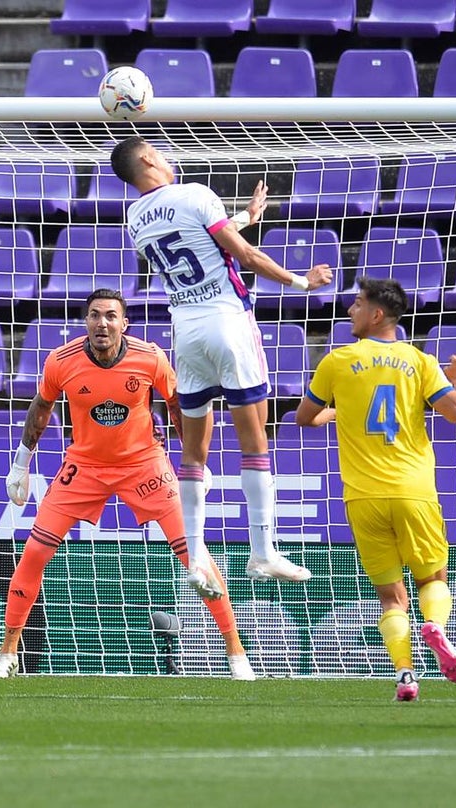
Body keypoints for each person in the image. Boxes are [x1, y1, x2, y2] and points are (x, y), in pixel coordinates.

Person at [0, 289, 256, 680]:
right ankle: (7, 654)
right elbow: (41, 407)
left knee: (194, 554)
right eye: (95, 315)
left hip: (144, 465)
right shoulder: (61, 360)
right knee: (35, 552)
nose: (102, 323)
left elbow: (178, 406)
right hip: (84, 467)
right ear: (86, 322)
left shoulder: (150, 358)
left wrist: (196, 461)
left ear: (124, 324)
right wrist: (20, 464)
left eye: (111, 316)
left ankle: (236, 654)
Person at [111, 135, 332, 600]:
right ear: (148, 158)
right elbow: (244, 255)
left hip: (185, 333)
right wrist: (302, 282)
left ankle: (195, 559)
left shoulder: (133, 218)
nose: (168, 157)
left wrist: (246, 217)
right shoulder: (195, 193)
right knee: (255, 439)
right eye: (160, 151)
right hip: (227, 322)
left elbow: (195, 236)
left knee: (194, 453)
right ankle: (262, 550)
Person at [293, 278, 456, 702]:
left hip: (363, 497)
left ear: (376, 314)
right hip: (413, 490)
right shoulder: (421, 361)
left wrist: (340, 411)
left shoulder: (337, 361)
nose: (349, 311)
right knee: (432, 578)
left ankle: (405, 675)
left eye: (357, 304)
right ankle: (436, 626)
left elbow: (304, 417)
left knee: (391, 598)